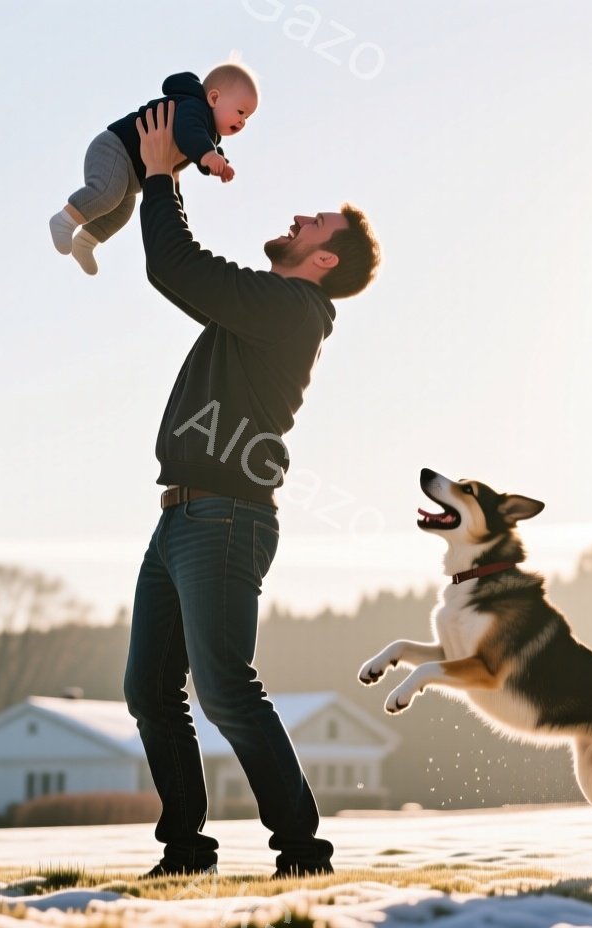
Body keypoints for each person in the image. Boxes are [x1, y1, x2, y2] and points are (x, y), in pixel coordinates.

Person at [122, 100, 380, 879]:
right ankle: (185, 853)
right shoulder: (270, 310)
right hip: (181, 518)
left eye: (315, 224)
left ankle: (303, 853)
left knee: (227, 690)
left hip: (224, 519)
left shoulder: (294, 310)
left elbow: (177, 267)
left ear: (324, 260)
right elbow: (187, 274)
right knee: (150, 691)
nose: (299, 218)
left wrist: (161, 176)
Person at [49, 63, 256, 275]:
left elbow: (200, 144)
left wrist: (218, 163)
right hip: (116, 149)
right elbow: (189, 132)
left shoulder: (206, 133)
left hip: (131, 175)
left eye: (247, 118)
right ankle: (65, 220)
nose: (242, 122)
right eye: (240, 112)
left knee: (121, 212)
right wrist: (209, 156)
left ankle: (84, 243)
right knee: (107, 193)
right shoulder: (193, 108)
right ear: (214, 98)